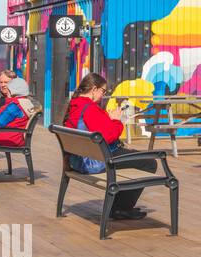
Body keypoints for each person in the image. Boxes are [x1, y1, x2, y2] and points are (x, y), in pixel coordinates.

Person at [64, 73, 155, 220]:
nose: (103, 95)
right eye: (103, 91)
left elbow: (97, 128)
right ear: (94, 89)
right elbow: (108, 136)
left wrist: (108, 118)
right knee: (148, 162)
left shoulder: (75, 105)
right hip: (96, 160)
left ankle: (120, 206)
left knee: (134, 157)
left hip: (78, 159)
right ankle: (120, 208)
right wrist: (117, 121)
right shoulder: (90, 108)